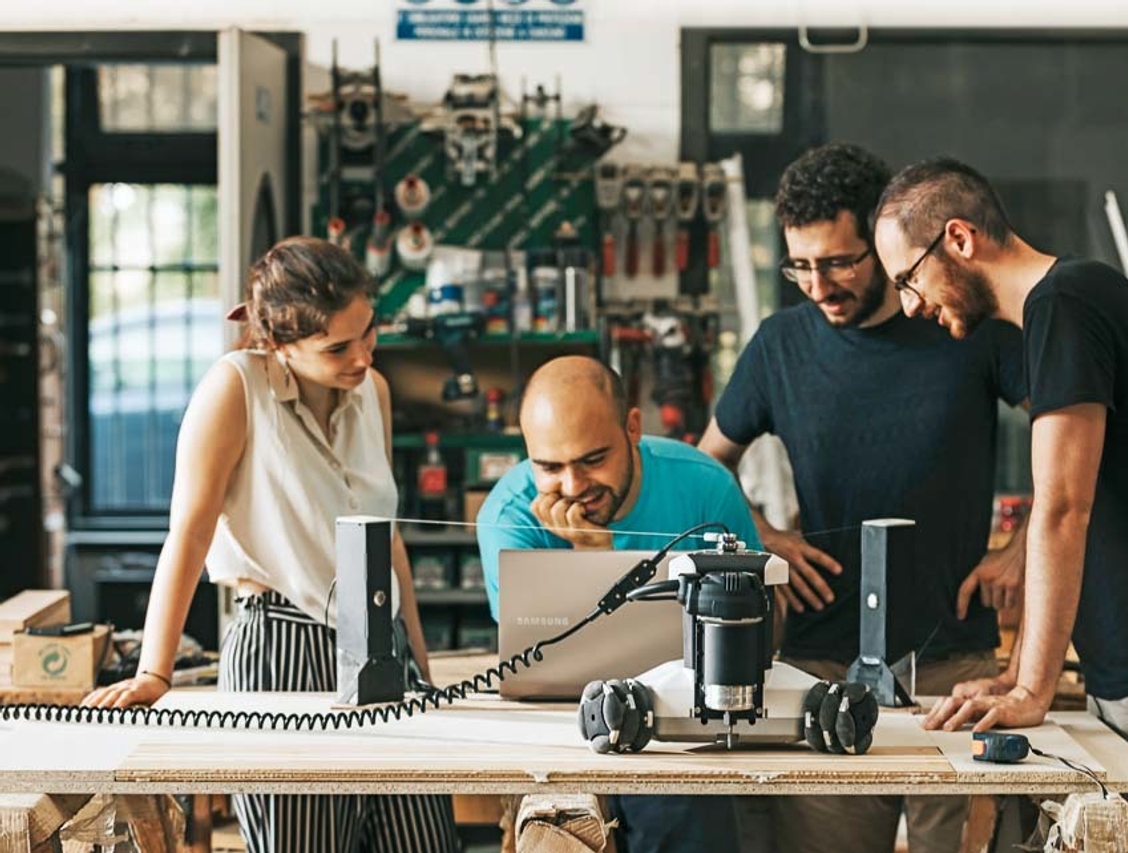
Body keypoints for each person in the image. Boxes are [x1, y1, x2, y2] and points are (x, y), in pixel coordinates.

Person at [873, 156, 1128, 853]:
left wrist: (1033, 686)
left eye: (909, 278)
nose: (910, 305)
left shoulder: (1067, 303)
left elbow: (1063, 508)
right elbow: (1062, 508)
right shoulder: (1063, 308)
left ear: (960, 239)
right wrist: (1021, 672)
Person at [697, 142, 1027, 853]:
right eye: (801, 266)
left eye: (839, 261)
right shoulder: (780, 345)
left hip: (955, 664)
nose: (818, 285)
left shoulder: (959, 322)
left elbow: (1075, 435)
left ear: (881, 241)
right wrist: (761, 536)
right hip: (821, 663)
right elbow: (703, 469)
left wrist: (1025, 547)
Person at [84, 236, 459, 853]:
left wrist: (421, 660)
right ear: (276, 343)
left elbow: (383, 535)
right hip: (285, 642)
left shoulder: (375, 394)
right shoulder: (235, 388)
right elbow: (190, 532)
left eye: (368, 332)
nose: (362, 357)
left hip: (384, 646)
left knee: (422, 841)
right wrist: (155, 669)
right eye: (336, 347)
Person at [477, 355, 760, 853]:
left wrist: (600, 557)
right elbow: (539, 666)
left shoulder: (705, 489)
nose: (572, 487)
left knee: (683, 809)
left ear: (633, 428)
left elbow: (753, 637)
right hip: (556, 731)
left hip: (683, 731)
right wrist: (588, 559)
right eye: (548, 466)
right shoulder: (508, 515)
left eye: (591, 460)